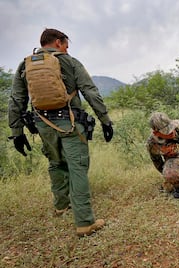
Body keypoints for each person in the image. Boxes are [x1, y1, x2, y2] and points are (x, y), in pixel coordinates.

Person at [8, 28, 113, 237]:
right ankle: (84, 222)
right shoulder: (69, 61)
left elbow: (17, 100)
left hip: (43, 124)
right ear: (58, 42)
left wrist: (16, 131)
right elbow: (90, 91)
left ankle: (61, 206)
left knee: (55, 163)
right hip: (71, 123)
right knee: (77, 167)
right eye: (66, 44)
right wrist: (105, 120)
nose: (66, 49)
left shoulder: (25, 64)